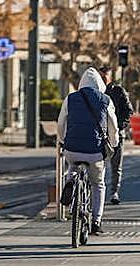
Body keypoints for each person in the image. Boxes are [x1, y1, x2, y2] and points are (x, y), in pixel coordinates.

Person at [57, 67, 119, 235]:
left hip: (72, 149)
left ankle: (70, 182)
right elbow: (113, 127)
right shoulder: (105, 100)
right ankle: (96, 221)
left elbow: (61, 123)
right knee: (98, 183)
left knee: (72, 166)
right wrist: (113, 144)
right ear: (99, 83)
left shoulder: (70, 98)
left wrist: (63, 141)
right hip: (95, 151)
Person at [102, 67, 133, 205]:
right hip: (101, 134)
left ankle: (114, 192)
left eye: (105, 76)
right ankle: (99, 191)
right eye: (101, 76)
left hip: (117, 133)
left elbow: (128, 110)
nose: (103, 79)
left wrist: (120, 126)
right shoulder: (96, 91)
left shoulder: (118, 91)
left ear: (110, 77)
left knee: (116, 166)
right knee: (98, 165)